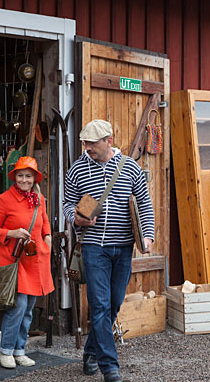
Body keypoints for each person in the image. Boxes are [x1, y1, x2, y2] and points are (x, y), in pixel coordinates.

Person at [63, 119, 155, 382]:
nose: (87, 147)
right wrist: (76, 219)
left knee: (113, 303)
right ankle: (109, 366)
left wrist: (147, 235)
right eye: (84, 143)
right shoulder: (77, 170)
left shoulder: (130, 169)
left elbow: (145, 206)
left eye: (92, 143)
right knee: (100, 306)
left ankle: (91, 351)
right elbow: (68, 204)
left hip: (124, 248)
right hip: (93, 248)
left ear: (108, 141)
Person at [0, 156, 53, 369]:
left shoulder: (39, 199)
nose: (24, 180)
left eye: (28, 176)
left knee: (29, 308)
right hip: (13, 259)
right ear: (15, 177)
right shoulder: (3, 200)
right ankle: (5, 350)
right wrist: (11, 232)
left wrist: (48, 237)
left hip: (34, 259)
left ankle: (19, 350)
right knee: (18, 306)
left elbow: (44, 223)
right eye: (21, 175)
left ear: (35, 179)